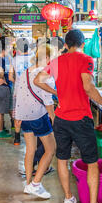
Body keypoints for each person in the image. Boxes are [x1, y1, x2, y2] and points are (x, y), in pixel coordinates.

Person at [34, 29, 102, 203]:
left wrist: (56, 92)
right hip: (81, 118)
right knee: (92, 163)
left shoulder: (56, 62)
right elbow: (88, 86)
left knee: (62, 159)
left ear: (66, 44)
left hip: (61, 119)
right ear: (82, 43)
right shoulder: (86, 59)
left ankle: (69, 200)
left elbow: (38, 80)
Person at [15, 44, 56, 199]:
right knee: (51, 149)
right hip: (39, 117)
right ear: (45, 58)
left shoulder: (25, 72)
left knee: (30, 150)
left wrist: (17, 116)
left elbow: (17, 94)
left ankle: (28, 184)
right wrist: (53, 117)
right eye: (51, 59)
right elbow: (48, 100)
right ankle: (35, 184)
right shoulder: (45, 75)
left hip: (24, 117)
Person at [32, 36, 65, 175]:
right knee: (46, 139)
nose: (61, 53)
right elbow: (45, 91)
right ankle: (39, 166)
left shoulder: (40, 64)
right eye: (61, 50)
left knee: (40, 138)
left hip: (36, 108)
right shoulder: (49, 66)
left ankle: (37, 165)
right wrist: (52, 114)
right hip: (45, 107)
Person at [9, 37, 32, 146]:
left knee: (18, 114)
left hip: (18, 92)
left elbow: (10, 77)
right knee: (32, 113)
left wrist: (17, 82)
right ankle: (31, 137)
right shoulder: (33, 59)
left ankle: (17, 139)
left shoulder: (14, 60)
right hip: (32, 91)